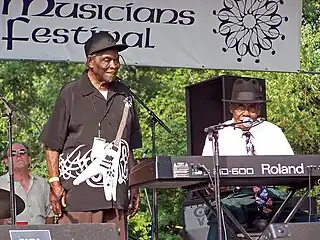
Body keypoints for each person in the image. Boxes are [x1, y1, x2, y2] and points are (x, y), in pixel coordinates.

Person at [39, 31, 142, 240]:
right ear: (90, 62)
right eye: (107, 60)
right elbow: (52, 144)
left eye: (116, 60)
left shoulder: (125, 95)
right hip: (79, 198)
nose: (114, 65)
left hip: (116, 197)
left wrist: (134, 185)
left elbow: (128, 146)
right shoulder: (71, 93)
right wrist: (55, 183)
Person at [202, 78, 295, 240]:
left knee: (307, 220)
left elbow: (294, 169)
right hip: (235, 196)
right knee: (220, 214)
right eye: (240, 107)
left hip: (271, 194)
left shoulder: (273, 132)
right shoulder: (218, 134)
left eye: (252, 107)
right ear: (231, 108)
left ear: (259, 108)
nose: (246, 113)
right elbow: (205, 175)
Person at [0, 142, 54, 225]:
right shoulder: (1, 184)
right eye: (13, 154)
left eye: (22, 152)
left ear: (29, 159)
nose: (18, 155)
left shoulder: (42, 183)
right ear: (6, 162)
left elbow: (50, 215)